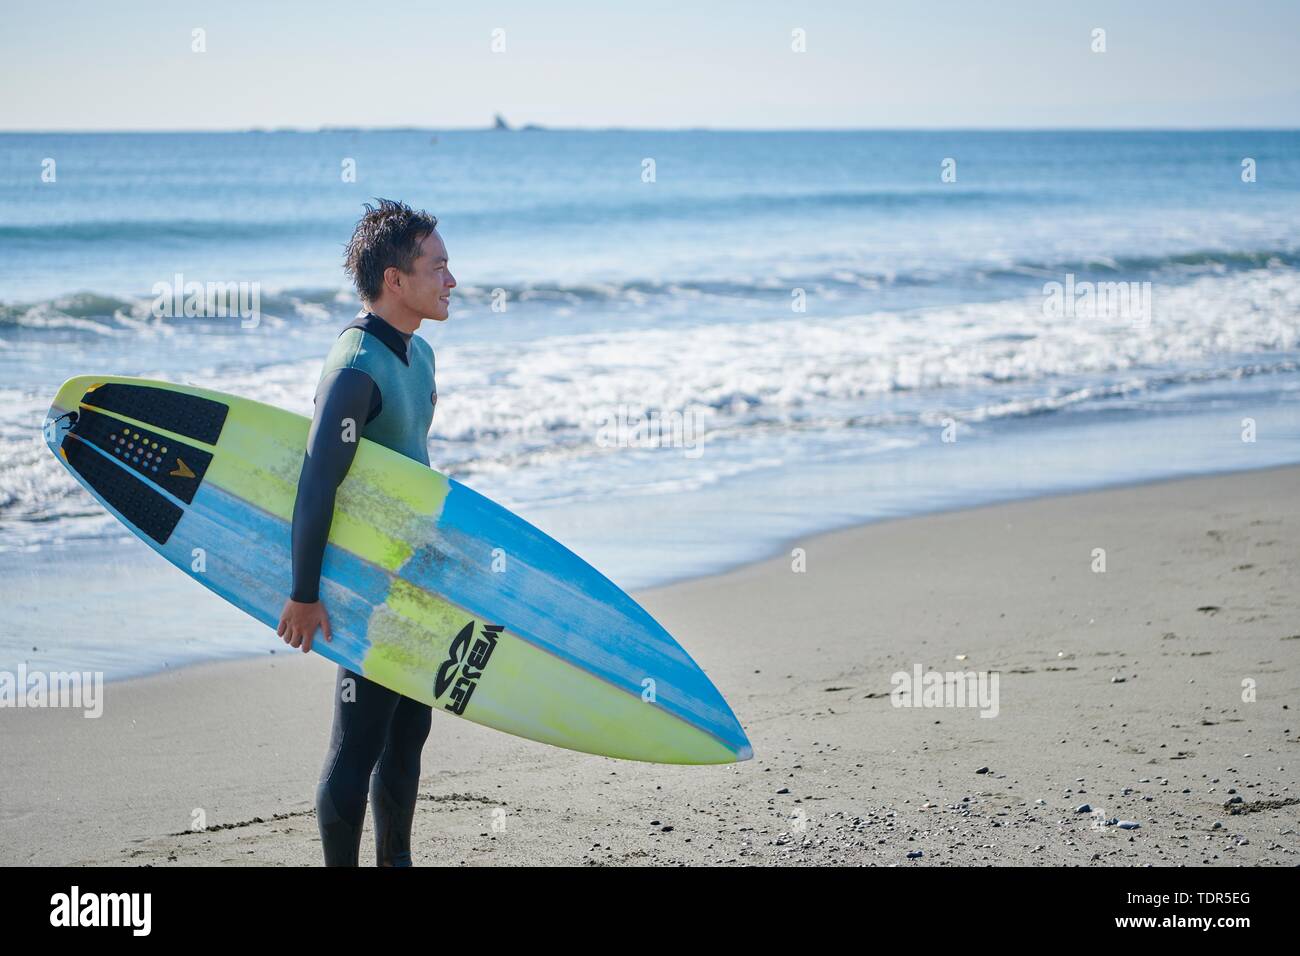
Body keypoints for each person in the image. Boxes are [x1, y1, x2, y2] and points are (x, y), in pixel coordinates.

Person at [275, 198, 455, 866]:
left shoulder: (421, 356)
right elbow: (317, 483)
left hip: (412, 576)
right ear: (394, 280)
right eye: (437, 267)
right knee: (360, 740)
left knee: (410, 730)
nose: (451, 281)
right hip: (366, 585)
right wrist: (303, 592)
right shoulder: (355, 368)